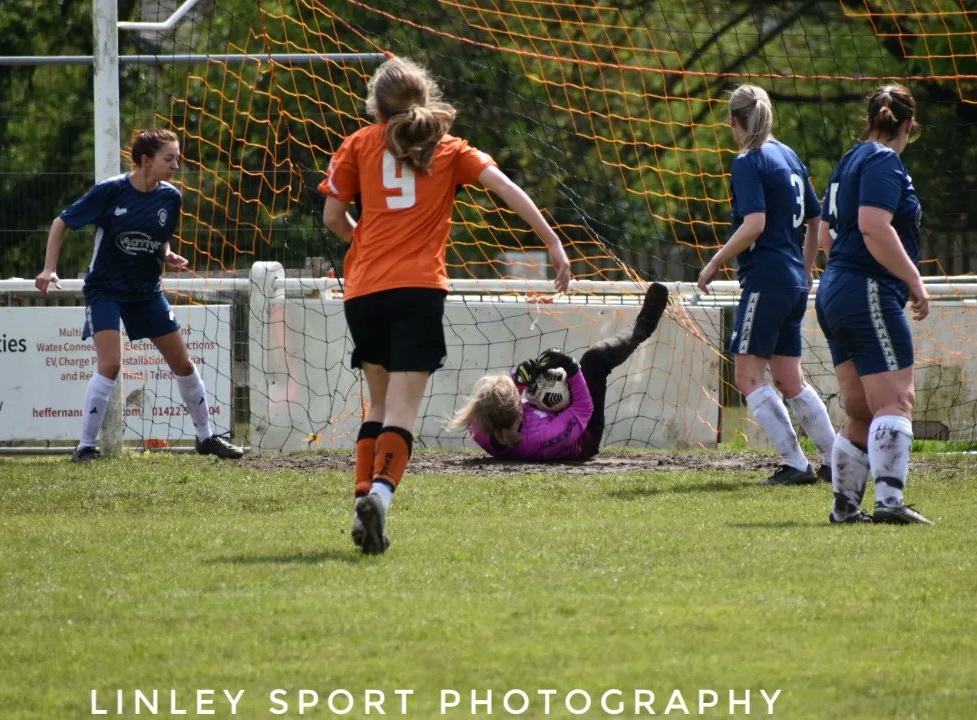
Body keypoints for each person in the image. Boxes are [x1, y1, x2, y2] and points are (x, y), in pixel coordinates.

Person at [318, 56, 572, 555]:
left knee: (378, 403)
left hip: (363, 290)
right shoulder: (449, 147)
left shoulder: (356, 144)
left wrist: (361, 242)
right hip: (417, 290)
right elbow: (507, 189)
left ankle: (360, 507)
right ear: (425, 99)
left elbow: (332, 216)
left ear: (376, 107)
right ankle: (381, 499)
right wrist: (553, 242)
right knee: (403, 411)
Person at [34, 128, 244, 462]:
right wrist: (49, 268)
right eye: (169, 158)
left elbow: (159, 237)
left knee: (183, 363)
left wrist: (166, 254)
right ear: (146, 161)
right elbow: (61, 223)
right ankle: (85, 447)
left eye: (178, 157)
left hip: (146, 291)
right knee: (111, 365)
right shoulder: (111, 191)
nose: (176, 164)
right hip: (106, 290)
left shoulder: (170, 197)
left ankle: (206, 438)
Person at [697, 84, 837, 486]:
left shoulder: (748, 160)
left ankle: (795, 464)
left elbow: (754, 224)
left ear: (733, 121)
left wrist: (714, 262)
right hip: (792, 281)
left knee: (747, 377)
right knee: (791, 380)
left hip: (766, 279)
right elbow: (815, 219)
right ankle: (835, 459)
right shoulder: (789, 155)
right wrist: (807, 268)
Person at [816, 85, 932, 525]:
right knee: (896, 402)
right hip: (866, 289)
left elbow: (826, 236)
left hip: (837, 289)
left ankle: (845, 508)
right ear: (908, 125)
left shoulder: (849, 161)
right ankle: (889, 504)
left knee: (862, 410)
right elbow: (872, 225)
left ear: (870, 119)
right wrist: (913, 278)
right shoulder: (886, 160)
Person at [449, 282, 668, 462]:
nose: (520, 392)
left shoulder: (481, 425)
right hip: (583, 434)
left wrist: (520, 376)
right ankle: (643, 327)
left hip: (547, 417)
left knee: (562, 372)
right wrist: (571, 368)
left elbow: (494, 398)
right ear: (518, 414)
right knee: (595, 360)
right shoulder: (541, 436)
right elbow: (583, 409)